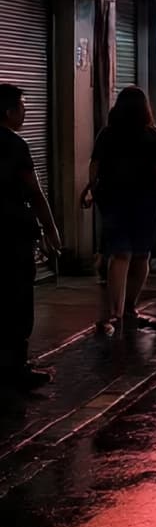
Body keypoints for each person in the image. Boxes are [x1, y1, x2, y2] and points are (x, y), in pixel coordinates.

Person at [88, 86, 156, 333]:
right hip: (145, 201)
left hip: (113, 199)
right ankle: (130, 306)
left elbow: (94, 166)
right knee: (141, 255)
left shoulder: (107, 134)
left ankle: (115, 311)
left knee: (119, 255)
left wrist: (92, 191)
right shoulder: (151, 135)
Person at [0, 84, 61, 389]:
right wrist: (51, 231)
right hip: (12, 235)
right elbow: (35, 193)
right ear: (10, 112)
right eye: (23, 107)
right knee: (18, 301)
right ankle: (15, 368)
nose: (26, 112)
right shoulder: (14, 144)